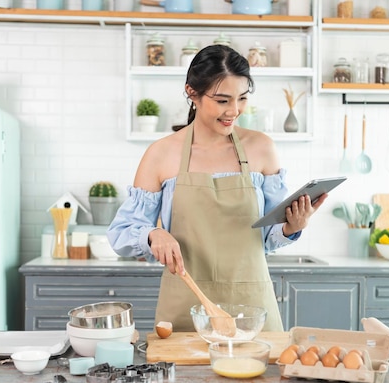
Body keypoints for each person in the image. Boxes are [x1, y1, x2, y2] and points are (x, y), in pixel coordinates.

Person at [106, 44, 327, 332]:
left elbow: (268, 238)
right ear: (192, 92)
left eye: (242, 99)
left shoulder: (261, 148)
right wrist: (152, 233)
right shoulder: (161, 154)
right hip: (185, 306)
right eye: (222, 100)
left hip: (252, 307)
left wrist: (291, 226)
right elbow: (121, 232)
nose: (234, 111)